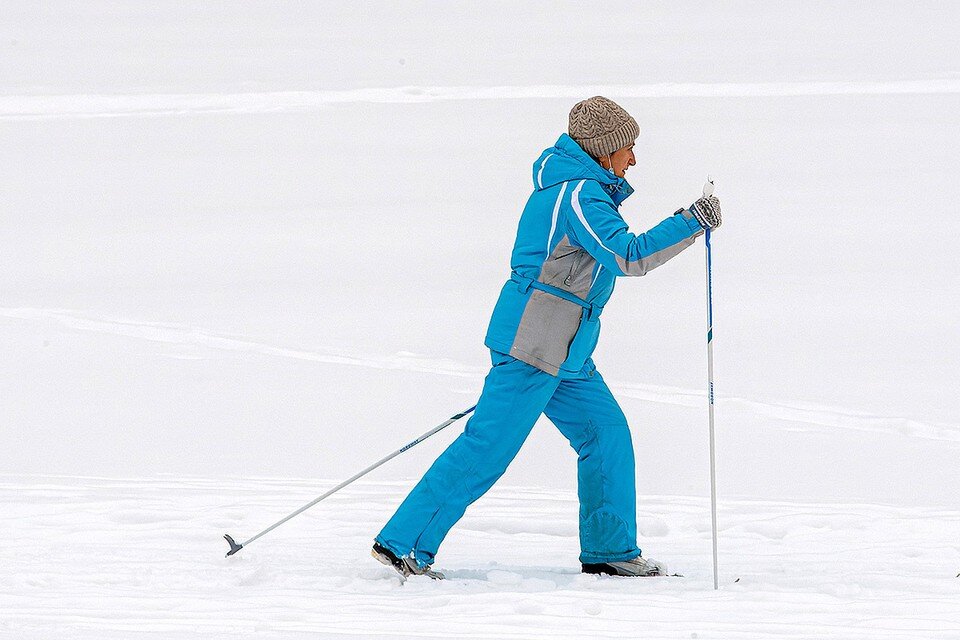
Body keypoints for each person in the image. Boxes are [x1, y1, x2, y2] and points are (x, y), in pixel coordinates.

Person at [372, 96, 722, 579]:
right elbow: (628, 256)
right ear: (604, 150)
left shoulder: (583, 191)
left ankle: (610, 550)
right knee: (487, 448)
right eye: (628, 148)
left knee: (606, 435)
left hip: (567, 353)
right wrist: (692, 222)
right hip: (532, 348)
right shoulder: (579, 195)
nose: (634, 160)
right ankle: (404, 543)